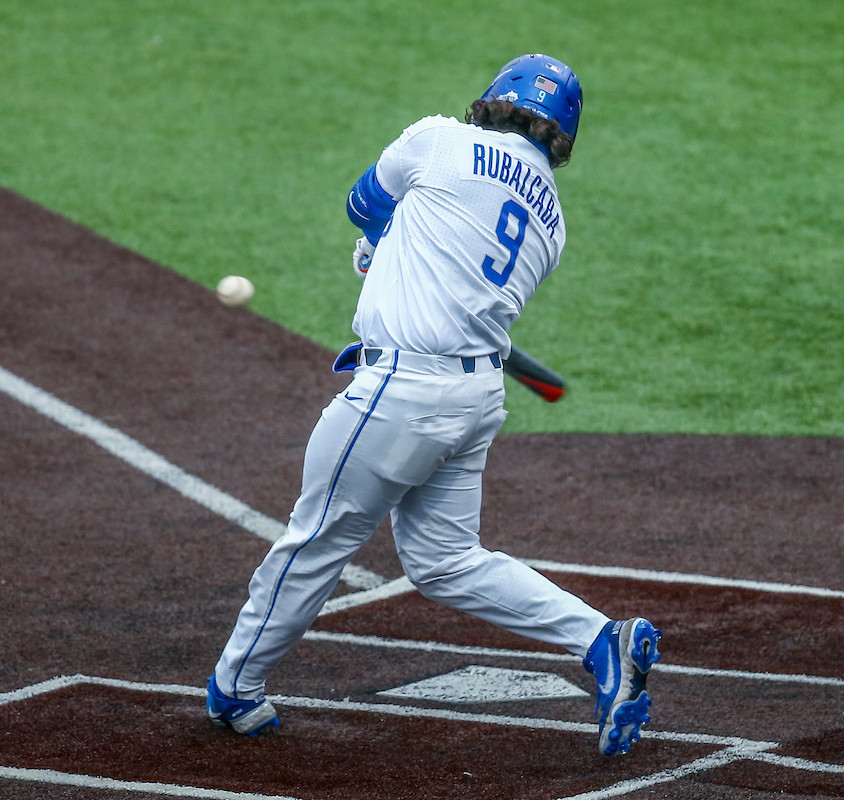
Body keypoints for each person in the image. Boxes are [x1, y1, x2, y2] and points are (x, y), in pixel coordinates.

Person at [207, 54, 661, 757]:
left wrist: (378, 242)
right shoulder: (552, 222)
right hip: (475, 399)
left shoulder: (439, 139)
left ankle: (235, 686)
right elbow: (455, 259)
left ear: (495, 99)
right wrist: (389, 249)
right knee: (445, 559)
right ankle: (602, 642)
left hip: (403, 394)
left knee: (314, 540)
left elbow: (364, 205)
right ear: (561, 136)